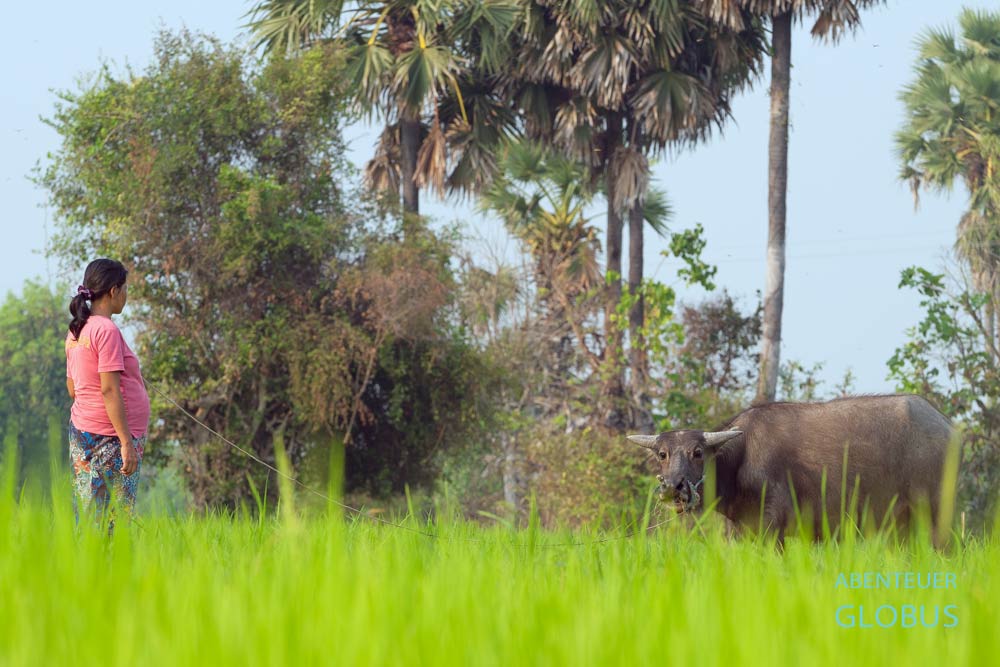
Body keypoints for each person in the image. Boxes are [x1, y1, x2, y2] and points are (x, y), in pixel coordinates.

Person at [65, 259, 150, 527]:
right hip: (112, 437)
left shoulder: (77, 330)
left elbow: (73, 388)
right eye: (125, 288)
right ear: (114, 290)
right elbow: (109, 389)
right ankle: (109, 569)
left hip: (83, 432)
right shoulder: (107, 330)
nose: (126, 295)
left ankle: (87, 567)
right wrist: (125, 442)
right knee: (115, 519)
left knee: (89, 513)